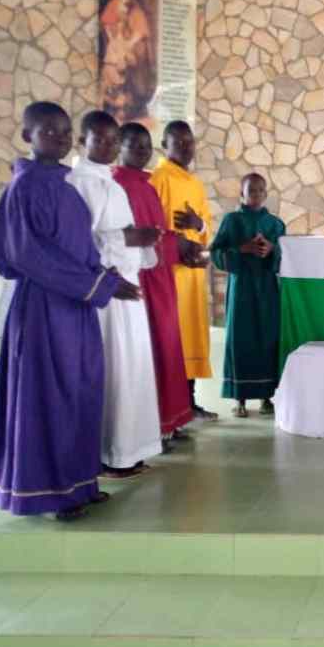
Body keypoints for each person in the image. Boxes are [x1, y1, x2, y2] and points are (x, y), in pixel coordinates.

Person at [0, 102, 139, 520]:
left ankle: (80, 484)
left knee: (80, 391)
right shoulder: (24, 187)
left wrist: (102, 276)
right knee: (50, 397)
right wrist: (99, 285)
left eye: (64, 131)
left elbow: (79, 247)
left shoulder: (65, 185)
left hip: (76, 307)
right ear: (28, 136)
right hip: (44, 311)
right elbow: (28, 255)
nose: (59, 138)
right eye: (48, 131)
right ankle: (52, 493)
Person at [68, 111, 162, 478]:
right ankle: (110, 452)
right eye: (100, 139)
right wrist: (127, 238)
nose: (107, 146)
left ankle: (127, 449)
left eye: (112, 140)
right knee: (113, 368)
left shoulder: (109, 182)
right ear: (83, 142)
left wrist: (139, 239)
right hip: (104, 288)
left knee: (132, 365)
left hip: (126, 283)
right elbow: (79, 241)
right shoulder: (78, 183)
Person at [113, 123, 199, 445]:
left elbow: (159, 230)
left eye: (146, 146)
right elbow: (127, 237)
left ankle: (169, 420)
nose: (142, 151)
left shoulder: (146, 185)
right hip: (141, 278)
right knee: (150, 349)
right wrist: (173, 245)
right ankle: (153, 426)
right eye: (134, 145)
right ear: (119, 147)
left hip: (161, 275)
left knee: (168, 345)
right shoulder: (119, 184)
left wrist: (183, 246)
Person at [150, 121, 217, 420]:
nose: (186, 147)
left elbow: (206, 226)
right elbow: (154, 224)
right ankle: (172, 405)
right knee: (174, 336)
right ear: (164, 146)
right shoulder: (159, 178)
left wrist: (197, 224)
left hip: (193, 271)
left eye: (189, 142)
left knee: (192, 335)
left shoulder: (195, 183)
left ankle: (190, 401)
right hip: (172, 270)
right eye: (178, 142)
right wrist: (177, 247)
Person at [210, 173, 286, 418]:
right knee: (240, 338)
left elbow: (287, 255)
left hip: (267, 289)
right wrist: (242, 249)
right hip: (241, 287)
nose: (256, 194)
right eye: (251, 190)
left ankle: (266, 397)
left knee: (268, 337)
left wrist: (272, 250)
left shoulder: (275, 224)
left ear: (266, 193)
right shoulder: (231, 221)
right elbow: (216, 253)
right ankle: (240, 398)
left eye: (260, 190)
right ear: (241, 193)